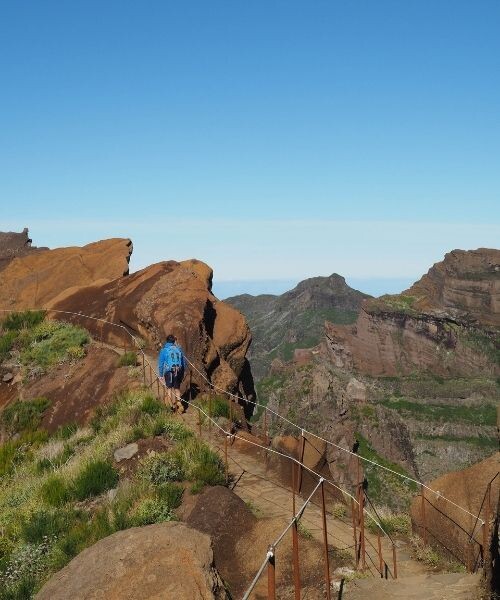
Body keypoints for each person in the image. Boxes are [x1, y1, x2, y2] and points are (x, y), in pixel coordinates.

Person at [158, 334, 187, 412]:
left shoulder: (164, 350)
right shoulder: (179, 349)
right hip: (178, 370)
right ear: (174, 341)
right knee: (177, 388)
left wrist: (160, 375)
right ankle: (179, 403)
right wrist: (183, 371)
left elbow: (161, 364)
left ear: (167, 341)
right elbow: (184, 362)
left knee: (169, 388)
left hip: (168, 371)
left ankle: (170, 407)